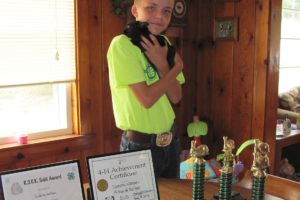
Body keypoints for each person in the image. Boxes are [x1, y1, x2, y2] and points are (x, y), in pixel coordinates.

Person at [107, 0, 185, 178]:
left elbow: (176, 96)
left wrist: (164, 65)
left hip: (171, 143)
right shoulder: (122, 45)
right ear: (135, 10)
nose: (159, 16)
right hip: (140, 148)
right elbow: (147, 99)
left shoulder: (163, 43)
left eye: (167, 11)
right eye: (151, 7)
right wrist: (177, 68)